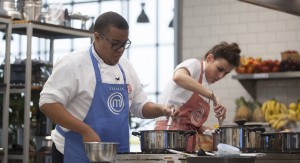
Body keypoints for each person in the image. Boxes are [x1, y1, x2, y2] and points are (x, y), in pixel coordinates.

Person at [39, 11, 174, 163]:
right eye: (115, 44)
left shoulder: (126, 66)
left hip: (116, 153)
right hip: (74, 151)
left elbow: (139, 105)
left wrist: (162, 109)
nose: (120, 50)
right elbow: (47, 103)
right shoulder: (73, 63)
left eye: (124, 44)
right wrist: (85, 130)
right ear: (97, 37)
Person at [155, 41, 241, 152]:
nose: (220, 76)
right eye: (220, 69)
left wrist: (206, 130)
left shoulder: (206, 88)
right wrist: (213, 96)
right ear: (210, 58)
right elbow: (178, 77)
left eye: (225, 73)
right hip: (169, 135)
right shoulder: (194, 65)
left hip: (186, 141)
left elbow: (188, 120)